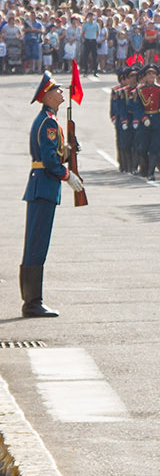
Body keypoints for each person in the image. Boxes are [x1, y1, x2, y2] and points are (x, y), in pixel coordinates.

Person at [21, 73, 84, 318]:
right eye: (57, 90)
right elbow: (48, 161)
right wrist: (67, 175)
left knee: (38, 244)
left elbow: (54, 154)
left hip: (44, 186)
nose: (61, 93)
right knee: (36, 244)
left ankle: (33, 299)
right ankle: (32, 302)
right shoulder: (47, 122)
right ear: (47, 95)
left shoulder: (51, 119)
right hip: (44, 187)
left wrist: (68, 152)